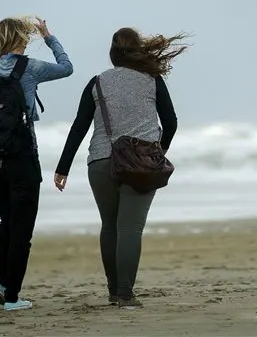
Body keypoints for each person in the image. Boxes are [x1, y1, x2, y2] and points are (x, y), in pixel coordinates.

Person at [53, 27, 186, 310]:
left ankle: (114, 291)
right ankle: (126, 295)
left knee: (110, 227)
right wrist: (158, 152)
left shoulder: (97, 82)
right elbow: (171, 122)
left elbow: (79, 126)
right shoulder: (152, 80)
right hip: (141, 164)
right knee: (130, 229)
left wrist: (62, 167)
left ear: (113, 54)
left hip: (101, 161)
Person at [0, 16, 74, 311]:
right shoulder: (31, 68)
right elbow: (67, 68)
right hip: (22, 159)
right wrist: (48, 35)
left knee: (6, 221)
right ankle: (12, 298)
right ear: (25, 38)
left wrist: (2, 39)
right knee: (22, 230)